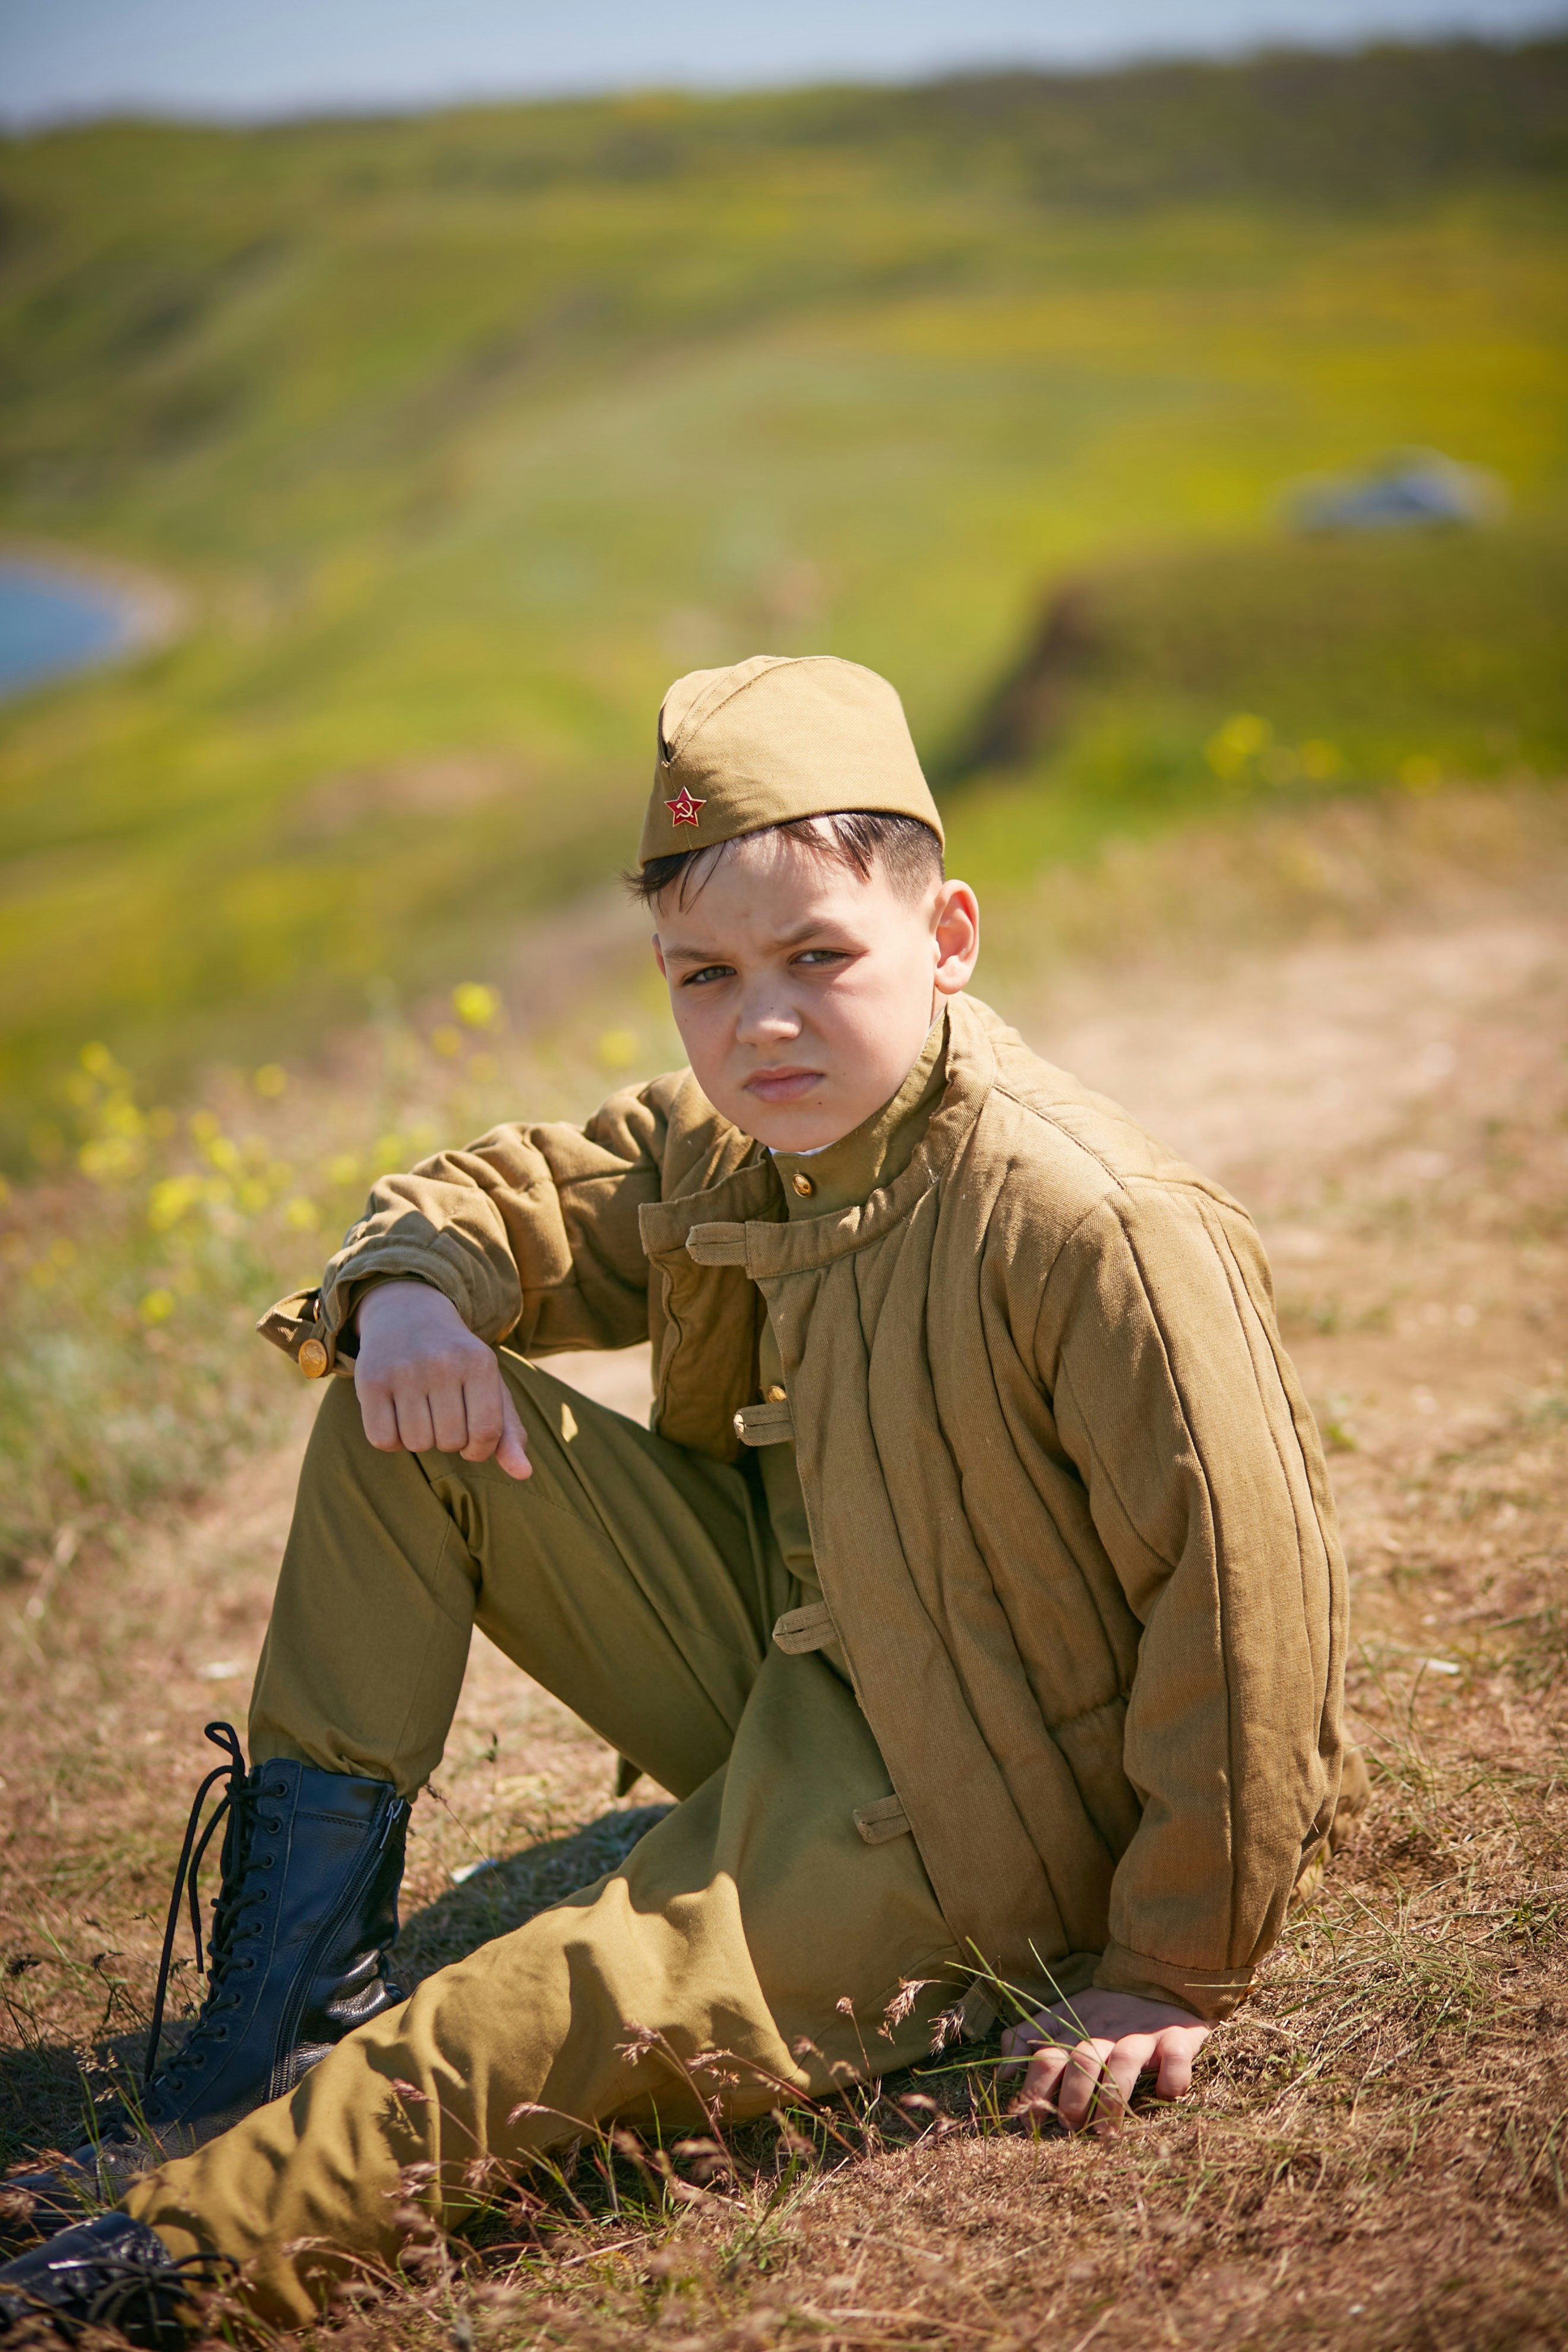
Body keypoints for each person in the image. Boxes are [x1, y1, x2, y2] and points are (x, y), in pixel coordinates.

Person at [0, 656, 1358, 2344]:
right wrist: (410, 1291)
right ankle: (275, 2029)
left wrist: (1168, 1958)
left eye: (818, 960)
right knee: (395, 1413)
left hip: (980, 1799)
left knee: (538, 2006)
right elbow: (526, 1195)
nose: (761, 1021)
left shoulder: (1089, 1223)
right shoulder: (739, 1136)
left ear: (947, 941)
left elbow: (1251, 1604)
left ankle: (152, 2269)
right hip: (791, 1662)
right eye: (704, 977)